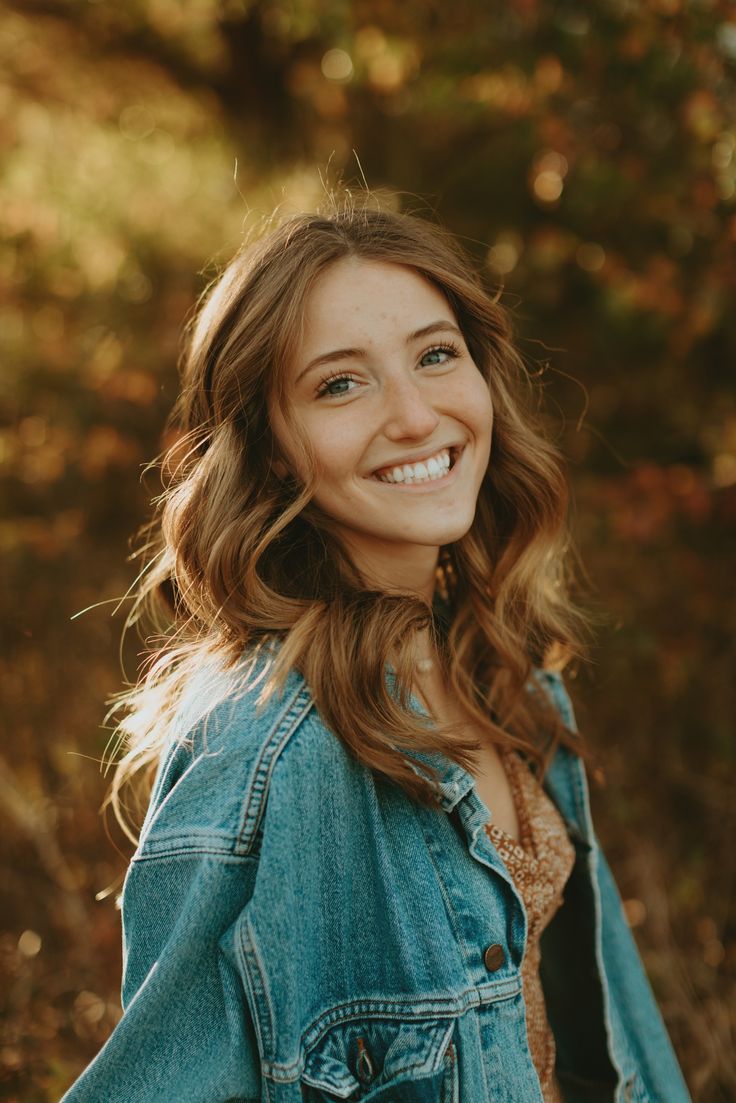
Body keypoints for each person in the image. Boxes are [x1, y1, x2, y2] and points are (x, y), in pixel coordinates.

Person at [61, 197, 691, 1102]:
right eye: (340, 384)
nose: (414, 415)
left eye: (437, 355)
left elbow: (608, 1029)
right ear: (271, 448)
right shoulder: (267, 751)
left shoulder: (515, 680)